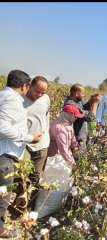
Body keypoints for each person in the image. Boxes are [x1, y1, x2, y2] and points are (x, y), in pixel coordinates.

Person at [0, 70, 42, 238]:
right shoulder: (12, 99)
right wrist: (29, 137)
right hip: (5, 156)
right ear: (24, 86)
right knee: (3, 194)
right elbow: (2, 128)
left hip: (5, 153)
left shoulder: (3, 95)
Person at [23, 76, 50, 186]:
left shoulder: (46, 99)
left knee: (35, 178)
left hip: (41, 145)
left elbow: (46, 116)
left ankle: (30, 202)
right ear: (29, 86)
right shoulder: (20, 100)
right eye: (37, 91)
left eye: (42, 93)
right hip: (24, 145)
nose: (39, 95)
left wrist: (45, 133)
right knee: (21, 177)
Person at [47, 105, 84, 169]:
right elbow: (63, 149)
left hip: (65, 156)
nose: (76, 118)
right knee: (59, 177)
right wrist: (72, 164)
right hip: (56, 159)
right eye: (75, 116)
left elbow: (73, 139)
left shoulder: (68, 124)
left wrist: (75, 148)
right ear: (69, 115)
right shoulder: (59, 128)